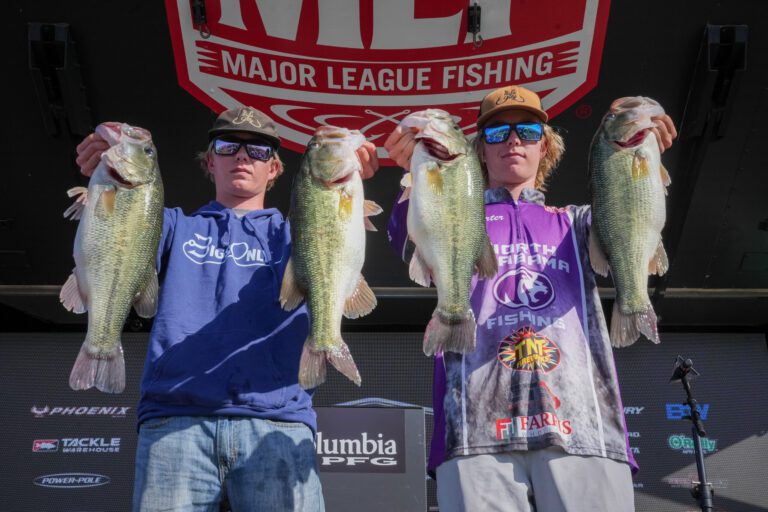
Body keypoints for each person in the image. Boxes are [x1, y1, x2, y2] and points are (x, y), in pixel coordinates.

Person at [383, 86, 677, 512]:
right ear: (479, 151)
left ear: (545, 145)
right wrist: (415, 174)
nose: (513, 140)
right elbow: (404, 242)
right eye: (497, 133)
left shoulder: (577, 221)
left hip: (585, 427)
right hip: (474, 427)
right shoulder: (454, 212)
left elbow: (632, 226)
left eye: (527, 130)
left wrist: (644, 152)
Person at [74, 106, 378, 512]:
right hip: (175, 420)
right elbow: (115, 232)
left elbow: (341, 235)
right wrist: (101, 169)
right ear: (209, 161)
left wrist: (353, 175)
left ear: (274, 169)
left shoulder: (301, 229)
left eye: (257, 151)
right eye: (228, 145)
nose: (242, 156)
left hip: (279, 421)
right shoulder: (171, 223)